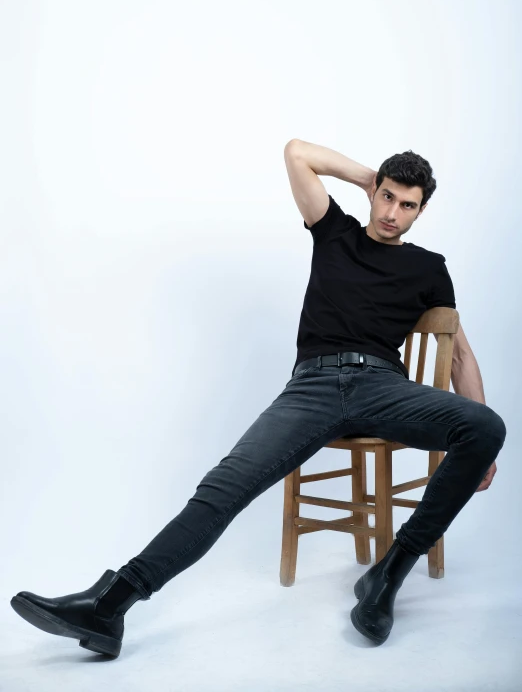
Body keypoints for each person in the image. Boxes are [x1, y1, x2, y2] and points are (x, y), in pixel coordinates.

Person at [11, 139, 505, 657]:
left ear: (422, 210)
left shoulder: (429, 267)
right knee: (225, 485)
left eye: (408, 205)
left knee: (488, 428)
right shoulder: (335, 232)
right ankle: (109, 606)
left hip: (385, 387)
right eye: (386, 197)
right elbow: (297, 153)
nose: (392, 212)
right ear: (373, 193)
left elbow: (460, 357)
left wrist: (483, 448)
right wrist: (366, 176)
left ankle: (387, 576)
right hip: (312, 387)